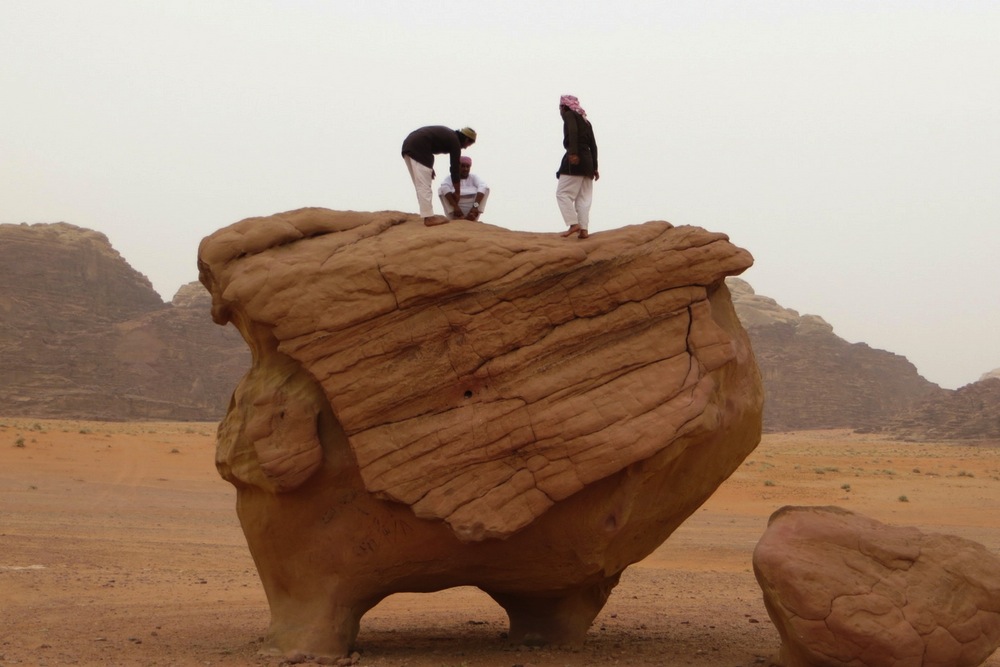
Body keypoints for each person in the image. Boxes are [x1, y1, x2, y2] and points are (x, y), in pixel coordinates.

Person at [401, 125, 477, 226]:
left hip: (409, 146)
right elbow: (455, 168)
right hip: (418, 148)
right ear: (467, 139)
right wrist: (457, 192)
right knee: (424, 186)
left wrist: (428, 166)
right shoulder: (455, 141)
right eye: (468, 144)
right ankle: (429, 218)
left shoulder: (450, 135)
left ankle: (426, 214)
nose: (466, 147)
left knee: (420, 185)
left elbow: (429, 141)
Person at [555, 95, 598, 239]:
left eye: (560, 108)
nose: (560, 111)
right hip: (588, 163)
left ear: (564, 107)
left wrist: (573, 153)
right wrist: (595, 167)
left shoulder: (569, 115)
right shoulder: (586, 121)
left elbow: (572, 131)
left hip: (576, 160)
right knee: (584, 198)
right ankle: (584, 229)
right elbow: (593, 145)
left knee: (562, 193)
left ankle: (573, 224)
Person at [438, 156, 489, 221]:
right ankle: (457, 216)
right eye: (463, 166)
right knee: (441, 190)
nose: (465, 169)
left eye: (468, 167)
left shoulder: (473, 177)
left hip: (472, 209)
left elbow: (483, 186)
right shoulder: (451, 178)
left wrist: (475, 206)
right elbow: (444, 186)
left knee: (486, 189)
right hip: (455, 209)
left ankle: (472, 215)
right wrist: (455, 207)